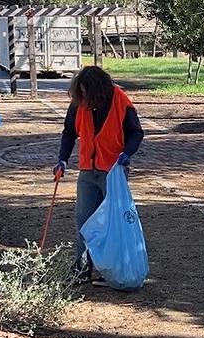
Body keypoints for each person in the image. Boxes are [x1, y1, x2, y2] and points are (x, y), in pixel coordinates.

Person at [54, 66, 145, 286]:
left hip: (113, 172)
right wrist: (63, 159)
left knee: (112, 223)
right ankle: (82, 268)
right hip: (87, 170)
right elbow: (69, 132)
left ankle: (111, 269)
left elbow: (136, 132)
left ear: (99, 90)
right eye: (81, 93)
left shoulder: (120, 100)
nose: (84, 97)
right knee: (83, 220)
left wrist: (126, 153)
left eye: (87, 93)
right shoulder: (79, 102)